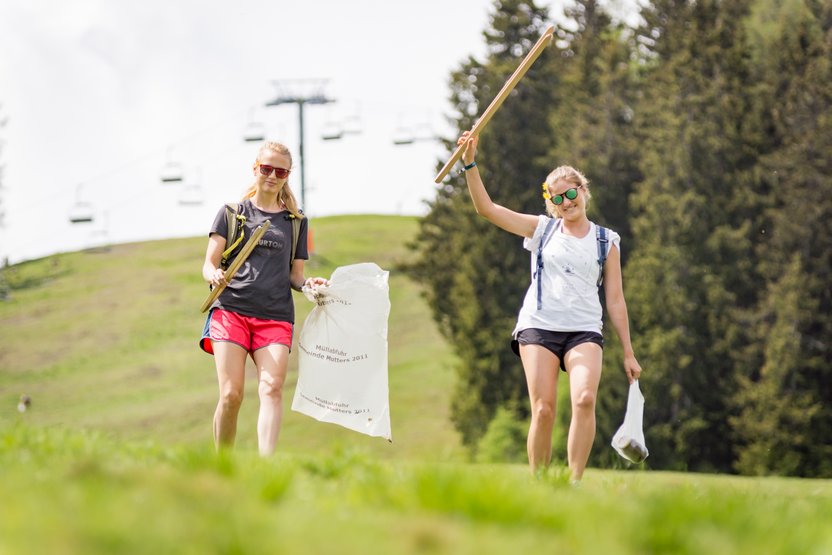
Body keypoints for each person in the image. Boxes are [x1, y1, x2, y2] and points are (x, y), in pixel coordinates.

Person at [457, 131, 642, 481]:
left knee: (585, 399)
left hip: (584, 329)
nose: (566, 202)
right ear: (551, 204)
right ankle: (540, 484)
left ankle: (573, 483)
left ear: (583, 192)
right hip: (539, 327)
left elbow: (615, 300)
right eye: (557, 199)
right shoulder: (542, 230)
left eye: (571, 194)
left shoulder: (606, 241)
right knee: (543, 410)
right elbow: (487, 209)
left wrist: (628, 352)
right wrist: (470, 163)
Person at [200, 141, 327, 456]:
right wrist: (214, 275)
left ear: (288, 175)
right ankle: (223, 463)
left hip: (275, 317)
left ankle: (265, 466)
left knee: (271, 389)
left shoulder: (296, 223)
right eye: (266, 168)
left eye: (280, 171)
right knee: (231, 394)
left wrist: (309, 284)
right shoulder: (231, 214)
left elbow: (295, 276)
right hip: (231, 312)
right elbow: (208, 264)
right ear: (255, 168)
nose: (272, 176)